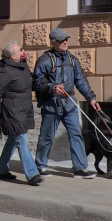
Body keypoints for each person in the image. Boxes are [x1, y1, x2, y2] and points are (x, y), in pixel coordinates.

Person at [33, 28, 101, 179]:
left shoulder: (72, 59)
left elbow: (81, 80)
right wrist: (52, 88)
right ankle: (40, 166)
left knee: (76, 134)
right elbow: (37, 82)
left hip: (69, 104)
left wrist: (91, 98)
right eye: (61, 40)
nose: (65, 42)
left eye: (66, 39)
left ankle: (80, 168)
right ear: (53, 42)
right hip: (51, 104)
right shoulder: (45, 60)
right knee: (47, 137)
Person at [0, 41, 44, 186]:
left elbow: (31, 84)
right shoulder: (5, 72)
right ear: (12, 56)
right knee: (22, 141)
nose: (23, 51)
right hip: (12, 112)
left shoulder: (24, 67)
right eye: (20, 50)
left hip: (24, 110)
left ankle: (2, 170)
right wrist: (0, 114)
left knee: (12, 141)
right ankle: (32, 174)